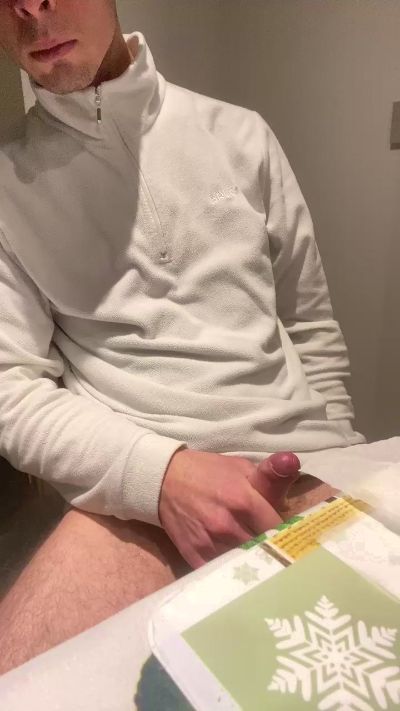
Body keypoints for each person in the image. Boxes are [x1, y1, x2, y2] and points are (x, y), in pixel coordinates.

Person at [0, 0, 364, 673]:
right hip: (133, 502)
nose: (29, 7)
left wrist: (339, 453)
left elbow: (309, 323)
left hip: (302, 462)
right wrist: (161, 476)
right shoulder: (5, 186)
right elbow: (9, 391)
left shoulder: (241, 134)